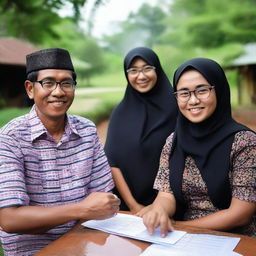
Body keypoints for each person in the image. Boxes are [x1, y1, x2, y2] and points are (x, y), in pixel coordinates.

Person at [0, 48, 120, 256]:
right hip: (33, 252)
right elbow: (10, 219)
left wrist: (76, 236)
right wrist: (82, 209)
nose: (58, 92)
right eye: (48, 83)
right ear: (30, 89)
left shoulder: (87, 131)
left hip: (84, 243)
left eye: (66, 83)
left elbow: (101, 200)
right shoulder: (10, 138)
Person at [142, 57, 256, 237]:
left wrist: (181, 228)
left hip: (235, 238)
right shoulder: (174, 141)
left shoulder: (244, 142)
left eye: (202, 90)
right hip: (184, 237)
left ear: (218, 90)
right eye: (184, 93)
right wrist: (159, 211)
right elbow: (166, 195)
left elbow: (240, 214)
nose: (193, 100)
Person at [104, 47, 178, 214]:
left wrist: (160, 204)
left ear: (157, 69)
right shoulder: (120, 113)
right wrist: (133, 206)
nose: (141, 76)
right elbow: (112, 163)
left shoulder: (177, 108)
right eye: (133, 70)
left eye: (147, 68)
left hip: (172, 204)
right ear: (126, 74)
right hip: (128, 209)